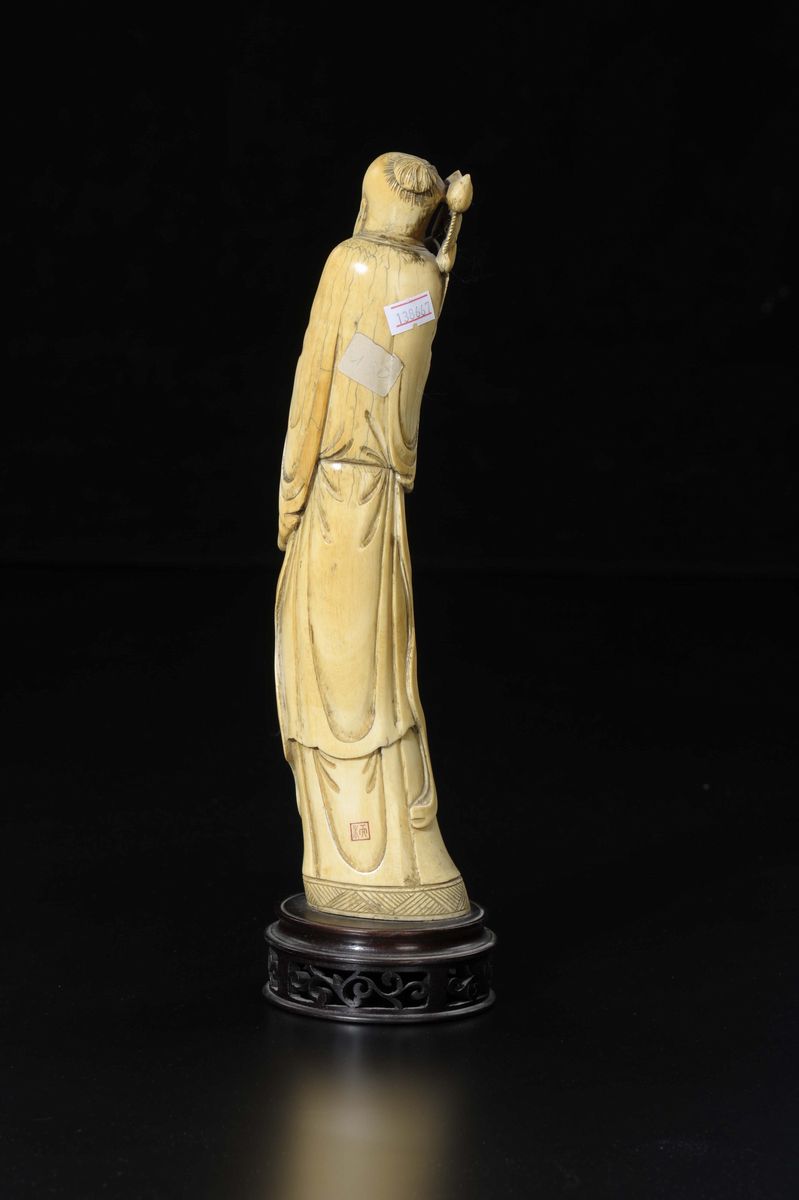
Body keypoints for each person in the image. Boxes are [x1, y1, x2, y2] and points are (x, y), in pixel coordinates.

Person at [274, 152, 472, 920]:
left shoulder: (351, 263)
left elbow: (318, 374)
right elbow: (393, 364)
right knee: (372, 669)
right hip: (381, 489)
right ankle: (386, 854)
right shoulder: (424, 276)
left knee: (332, 672)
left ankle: (355, 859)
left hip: (335, 486)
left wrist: (291, 489)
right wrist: (438, 258)